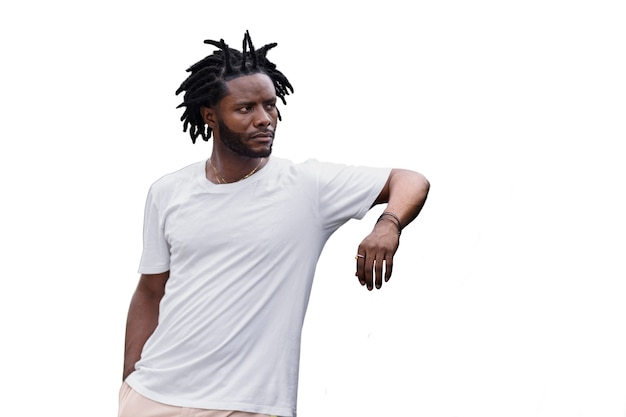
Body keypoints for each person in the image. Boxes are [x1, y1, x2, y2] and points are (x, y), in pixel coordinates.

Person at [119, 31, 430, 417]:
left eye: (270, 105)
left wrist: (388, 224)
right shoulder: (168, 192)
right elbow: (151, 291)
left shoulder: (306, 187)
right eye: (245, 108)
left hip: (249, 405)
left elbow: (410, 180)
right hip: (154, 399)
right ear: (210, 116)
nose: (264, 119)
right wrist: (129, 383)